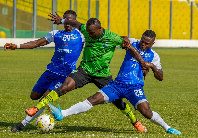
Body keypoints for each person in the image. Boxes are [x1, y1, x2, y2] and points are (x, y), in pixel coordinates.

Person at [25, 14, 149, 132]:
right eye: (88, 32)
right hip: (84, 71)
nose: (89, 35)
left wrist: (142, 63)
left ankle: (135, 121)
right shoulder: (85, 30)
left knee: (118, 102)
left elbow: (131, 47)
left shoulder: (113, 38)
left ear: (99, 29)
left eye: (92, 33)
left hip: (103, 75)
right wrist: (62, 21)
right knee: (65, 86)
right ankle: (35, 108)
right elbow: (74, 22)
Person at [48, 30, 182, 135]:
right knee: (93, 99)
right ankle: (62, 114)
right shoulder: (134, 43)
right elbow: (122, 39)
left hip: (135, 87)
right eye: (142, 41)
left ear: (152, 43)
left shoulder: (155, 56)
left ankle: (167, 127)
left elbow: (161, 77)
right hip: (117, 85)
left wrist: (152, 66)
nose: (143, 44)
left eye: (147, 43)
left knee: (146, 113)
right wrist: (125, 41)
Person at [4, 10, 85, 131]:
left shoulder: (82, 36)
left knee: (45, 98)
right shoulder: (56, 34)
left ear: (74, 20)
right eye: (65, 20)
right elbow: (37, 43)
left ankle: (21, 125)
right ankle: (50, 108)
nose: (68, 23)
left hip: (64, 76)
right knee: (34, 96)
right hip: (50, 72)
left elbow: (95, 32)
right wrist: (17, 46)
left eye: (70, 20)